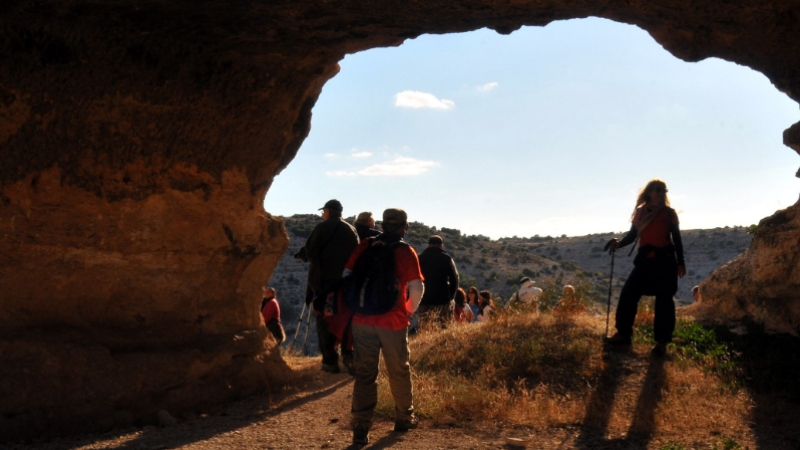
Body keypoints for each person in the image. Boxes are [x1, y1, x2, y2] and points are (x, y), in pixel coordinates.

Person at [346, 208, 424, 446]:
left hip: (362, 319)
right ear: (404, 227)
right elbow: (417, 288)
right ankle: (404, 417)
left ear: (381, 225)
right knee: (398, 369)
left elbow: (347, 275)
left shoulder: (366, 245)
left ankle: (360, 426)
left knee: (365, 373)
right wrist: (408, 311)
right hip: (393, 320)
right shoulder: (405, 251)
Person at [604, 179, 686, 357]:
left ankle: (661, 343)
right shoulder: (640, 213)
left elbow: (677, 239)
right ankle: (623, 334)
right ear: (649, 192)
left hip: (666, 261)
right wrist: (618, 244)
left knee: (664, 301)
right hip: (646, 261)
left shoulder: (669, 213)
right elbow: (632, 236)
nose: (660, 192)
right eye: (656, 189)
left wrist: (681, 263)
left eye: (663, 190)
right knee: (628, 294)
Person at [295, 199, 359, 373]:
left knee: (323, 320)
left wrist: (301, 256)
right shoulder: (351, 229)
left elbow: (311, 251)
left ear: (328, 212)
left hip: (323, 283)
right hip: (345, 283)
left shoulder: (322, 227)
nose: (323, 214)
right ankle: (348, 354)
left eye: (324, 212)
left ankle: (330, 361)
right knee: (344, 318)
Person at [417, 235, 459, 328]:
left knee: (425, 326)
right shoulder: (447, 258)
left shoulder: (419, 258)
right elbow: (455, 279)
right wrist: (450, 295)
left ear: (428, 245)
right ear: (441, 245)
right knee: (443, 326)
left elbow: (414, 279)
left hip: (424, 299)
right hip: (442, 298)